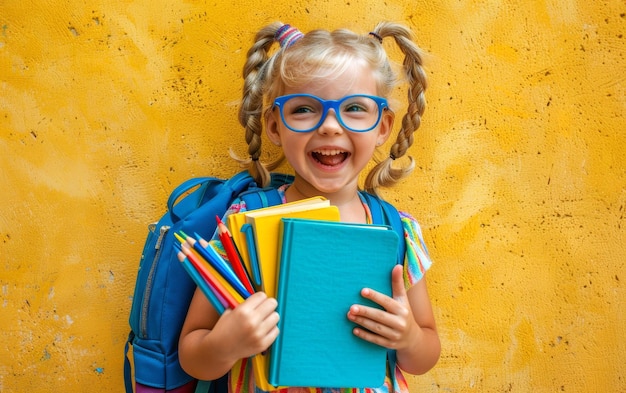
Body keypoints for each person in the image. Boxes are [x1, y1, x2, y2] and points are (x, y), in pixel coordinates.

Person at [178, 21, 441, 393]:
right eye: (304, 109)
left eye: (354, 108)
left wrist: (409, 337)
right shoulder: (244, 223)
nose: (330, 126)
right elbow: (193, 355)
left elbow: (426, 354)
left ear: (383, 127)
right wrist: (226, 343)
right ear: (274, 126)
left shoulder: (398, 231)